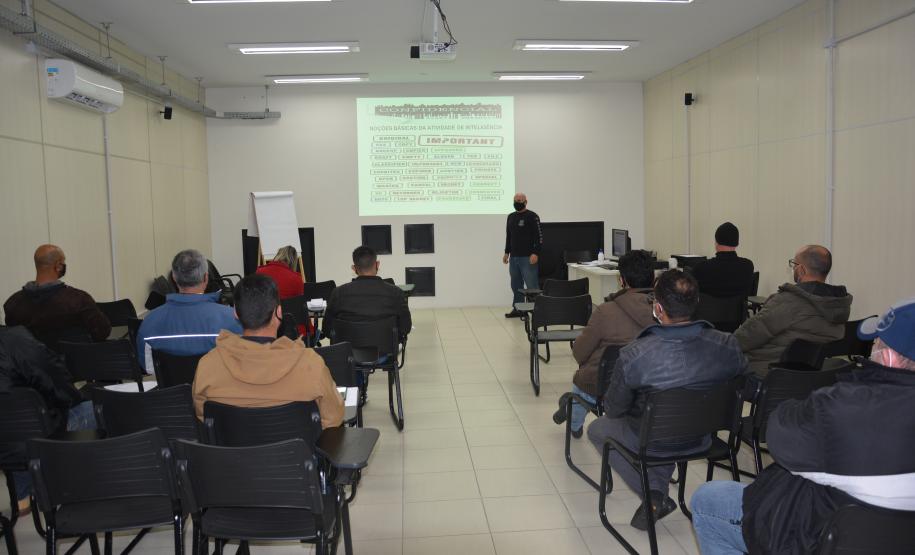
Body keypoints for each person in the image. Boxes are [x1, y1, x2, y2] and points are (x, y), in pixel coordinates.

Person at [690, 297, 915, 555]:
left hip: (820, 537)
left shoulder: (845, 407)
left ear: (888, 358)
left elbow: (779, 438)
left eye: (876, 343)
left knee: (707, 501)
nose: (872, 348)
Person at [586, 269, 748, 531]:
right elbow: (745, 382)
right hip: (702, 437)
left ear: (658, 309)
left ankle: (654, 494)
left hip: (653, 439)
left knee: (598, 428)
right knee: (664, 427)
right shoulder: (728, 345)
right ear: (696, 302)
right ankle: (656, 492)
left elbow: (614, 409)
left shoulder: (634, 353)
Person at [192, 273, 344, 428]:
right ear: (279, 313)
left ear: (236, 313)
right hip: (298, 444)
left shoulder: (208, 365)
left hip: (231, 444)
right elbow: (333, 418)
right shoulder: (311, 364)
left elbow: (203, 417)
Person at [554, 249, 656, 437]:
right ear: (653, 279)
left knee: (584, 380)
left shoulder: (605, 311)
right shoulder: (667, 312)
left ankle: (573, 419)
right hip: (650, 388)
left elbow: (579, 352)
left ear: (621, 280)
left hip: (606, 388)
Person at [0, 326, 96, 513]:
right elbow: (54, 378)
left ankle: (21, 497)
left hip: (7, 444)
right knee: (98, 407)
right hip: (35, 438)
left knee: (14, 426)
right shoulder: (14, 340)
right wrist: (72, 399)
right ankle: (80, 487)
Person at [733, 245, 852, 376]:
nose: (793, 268)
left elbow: (744, 338)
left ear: (801, 270)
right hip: (813, 377)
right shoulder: (838, 306)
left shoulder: (788, 302)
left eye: (794, 264)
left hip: (766, 374)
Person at [136, 249, 241, 371]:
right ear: (206, 277)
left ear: (174, 277)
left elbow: (148, 368)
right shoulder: (234, 319)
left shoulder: (150, 321)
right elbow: (242, 362)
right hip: (218, 382)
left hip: (171, 384)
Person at [4, 244, 111, 350]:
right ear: (58, 266)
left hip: (30, 361)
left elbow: (13, 340)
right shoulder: (79, 300)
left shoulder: (12, 304)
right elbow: (102, 332)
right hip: (73, 360)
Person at [322, 246, 412, 341]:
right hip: (384, 349)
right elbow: (405, 328)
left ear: (354, 268)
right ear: (377, 265)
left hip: (348, 349)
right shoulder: (396, 293)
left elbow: (327, 329)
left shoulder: (338, 293)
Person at [503, 192, 543, 318]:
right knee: (516, 285)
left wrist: (536, 253)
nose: (517, 202)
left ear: (526, 202)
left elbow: (539, 237)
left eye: (520, 200)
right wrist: (506, 252)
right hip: (514, 257)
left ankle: (538, 311)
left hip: (528, 258)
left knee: (532, 286)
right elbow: (509, 236)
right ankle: (518, 309)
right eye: (515, 200)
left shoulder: (532, 216)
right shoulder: (510, 217)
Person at [690, 222, 755, 297]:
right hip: (736, 305)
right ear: (737, 243)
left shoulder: (701, 268)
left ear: (716, 242)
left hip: (708, 305)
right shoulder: (747, 266)